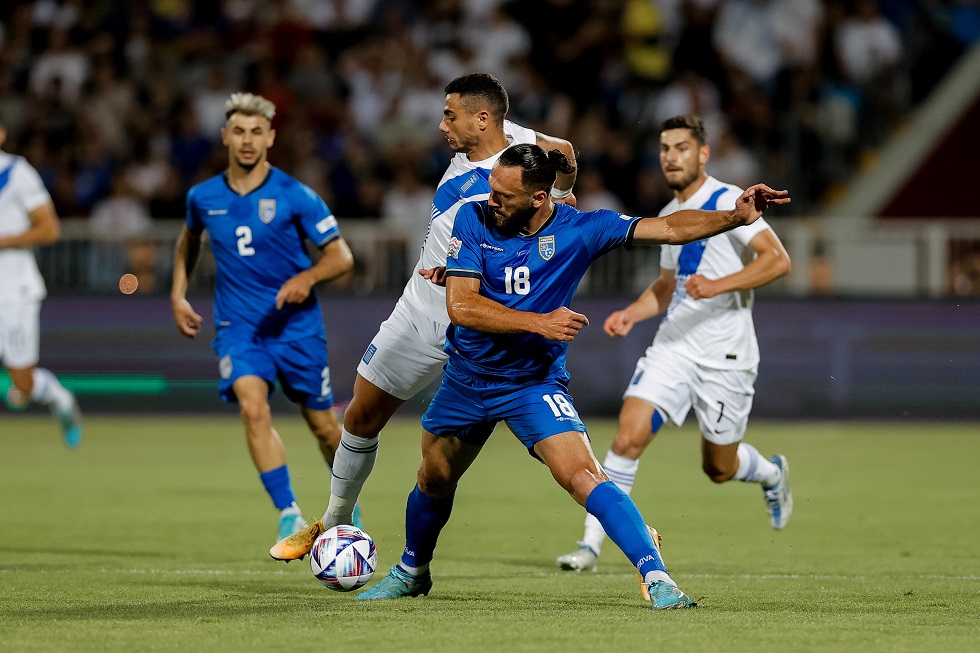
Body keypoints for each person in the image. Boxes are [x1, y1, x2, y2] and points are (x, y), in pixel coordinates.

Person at [278, 143, 790, 609]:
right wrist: (539, 321)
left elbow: (668, 228)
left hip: (532, 384)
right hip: (467, 378)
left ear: (540, 197)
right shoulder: (474, 219)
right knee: (433, 477)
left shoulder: (582, 229)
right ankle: (413, 570)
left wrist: (735, 217)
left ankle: (658, 579)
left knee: (582, 476)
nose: (491, 199)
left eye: (504, 194)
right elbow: (461, 306)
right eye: (491, 189)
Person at [269, 73, 577, 554]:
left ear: (482, 118)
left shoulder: (514, 171)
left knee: (548, 440)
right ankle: (334, 521)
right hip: (421, 310)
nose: (441, 125)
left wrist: (559, 199)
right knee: (361, 414)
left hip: (481, 319)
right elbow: (566, 151)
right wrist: (563, 189)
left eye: (450, 115)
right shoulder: (522, 141)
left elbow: (565, 163)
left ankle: (624, 516)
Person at [556, 114, 793, 576]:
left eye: (681, 147)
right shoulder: (668, 216)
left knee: (718, 467)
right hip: (674, 346)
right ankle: (589, 546)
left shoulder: (730, 200)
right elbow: (669, 287)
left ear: (703, 153)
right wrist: (632, 312)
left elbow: (777, 261)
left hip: (726, 354)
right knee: (626, 437)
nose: (671, 156)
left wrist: (720, 285)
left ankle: (770, 472)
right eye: (664, 149)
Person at [170, 93, 355, 542]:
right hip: (240, 329)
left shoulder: (296, 194)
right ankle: (289, 512)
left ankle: (346, 513)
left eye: (256, 132)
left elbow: (341, 257)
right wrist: (178, 294)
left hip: (297, 329)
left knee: (325, 429)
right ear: (225, 137)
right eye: (239, 131)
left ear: (270, 137)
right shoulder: (203, 196)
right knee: (254, 410)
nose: (247, 140)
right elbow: (188, 241)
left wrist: (307, 278)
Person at [0, 117, 83, 447]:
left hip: (13, 287)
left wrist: (2, 241)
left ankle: (60, 400)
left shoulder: (16, 173)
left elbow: (49, 229)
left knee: (22, 381)